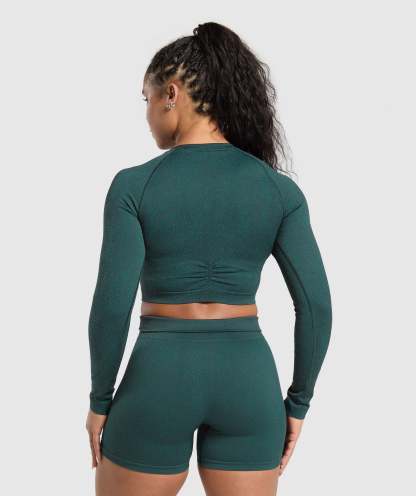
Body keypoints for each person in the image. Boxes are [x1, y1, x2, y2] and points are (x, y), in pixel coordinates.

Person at [85, 22, 332, 496]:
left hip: (159, 378)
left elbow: (112, 307)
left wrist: (100, 399)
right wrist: (298, 403)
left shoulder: (133, 186)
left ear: (171, 94)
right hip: (249, 382)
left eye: (147, 98)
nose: (147, 114)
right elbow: (317, 307)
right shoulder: (279, 191)